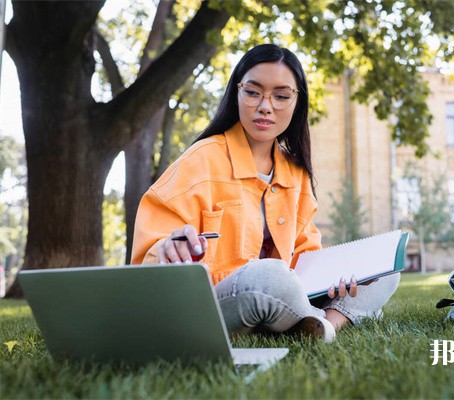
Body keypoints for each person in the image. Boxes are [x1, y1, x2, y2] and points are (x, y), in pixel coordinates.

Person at [131, 44, 400, 342]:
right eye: (253, 92)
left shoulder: (295, 171)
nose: (265, 106)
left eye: (281, 96)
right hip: (220, 300)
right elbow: (150, 254)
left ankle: (323, 325)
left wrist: (333, 282)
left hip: (286, 292)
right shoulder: (201, 160)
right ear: (237, 93)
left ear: (298, 102)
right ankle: (314, 321)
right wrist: (168, 248)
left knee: (385, 269)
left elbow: (306, 257)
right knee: (267, 275)